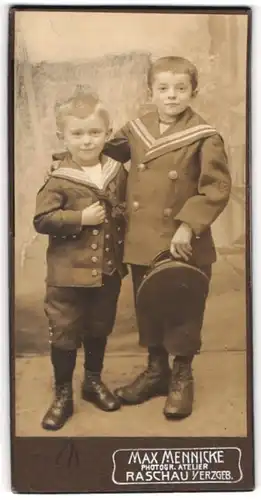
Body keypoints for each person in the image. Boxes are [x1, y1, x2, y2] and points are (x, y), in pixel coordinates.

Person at [104, 56, 232, 419]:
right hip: (144, 239)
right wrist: (69, 158)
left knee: (183, 312)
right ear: (151, 92)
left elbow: (216, 188)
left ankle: (181, 376)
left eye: (180, 89)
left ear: (194, 91)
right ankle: (156, 371)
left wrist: (188, 225)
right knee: (150, 309)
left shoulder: (204, 136)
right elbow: (103, 153)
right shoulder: (137, 129)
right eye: (163, 89)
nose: (171, 96)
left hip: (183, 241)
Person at [33, 89, 128, 431]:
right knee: (65, 332)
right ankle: (62, 395)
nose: (87, 141)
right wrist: (79, 220)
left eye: (94, 133)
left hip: (107, 270)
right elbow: (41, 220)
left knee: (99, 327)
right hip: (66, 276)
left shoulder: (117, 171)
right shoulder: (59, 177)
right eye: (77, 134)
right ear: (63, 137)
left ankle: (92, 382)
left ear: (107, 132)